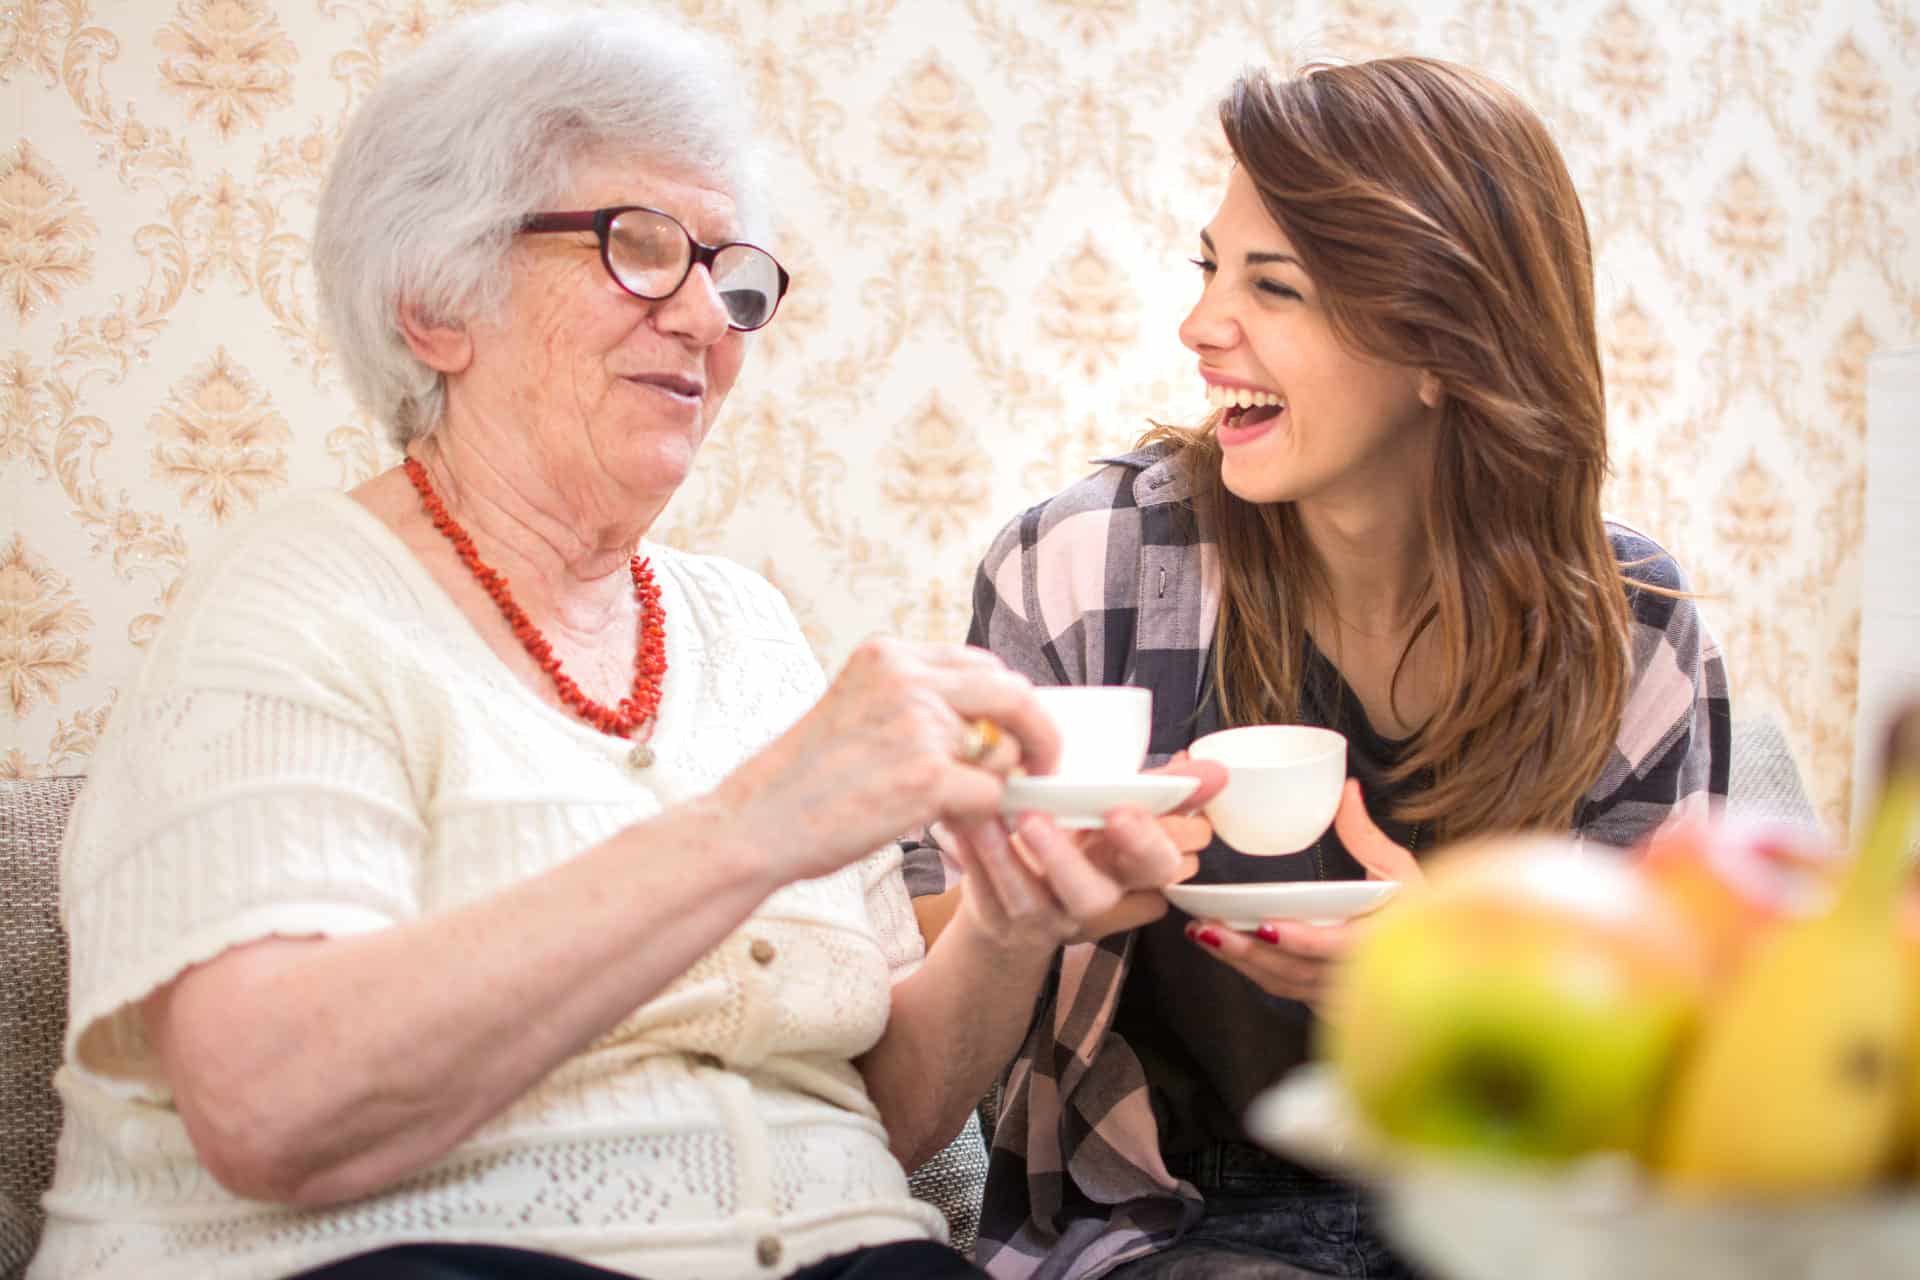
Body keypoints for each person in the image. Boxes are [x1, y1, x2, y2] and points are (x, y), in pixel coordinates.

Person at [27, 9, 1223, 1280]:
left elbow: (881, 1115)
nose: (713, 317)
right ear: (435, 301)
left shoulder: (744, 630)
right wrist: (756, 822)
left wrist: (1010, 917)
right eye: (642, 249)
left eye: (731, 273)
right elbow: (269, 1110)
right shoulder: (298, 602)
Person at [927, 57, 1731, 1279]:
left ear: (1442, 346)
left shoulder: (1634, 634)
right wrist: (1025, 903)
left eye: (1276, 285)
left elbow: (1675, 1085)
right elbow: (930, 996)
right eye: (1211, 268)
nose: (1200, 326)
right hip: (1165, 1227)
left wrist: (1440, 993)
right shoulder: (1087, 566)